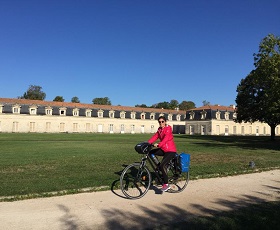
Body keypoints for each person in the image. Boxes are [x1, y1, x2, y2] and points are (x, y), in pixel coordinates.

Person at [148, 116, 177, 192]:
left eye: (162, 121)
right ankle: (159, 167)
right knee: (150, 153)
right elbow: (155, 136)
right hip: (163, 149)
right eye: (159, 122)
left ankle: (166, 184)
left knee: (163, 165)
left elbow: (166, 139)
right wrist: (148, 143)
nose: (161, 123)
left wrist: (159, 144)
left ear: (165, 121)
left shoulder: (168, 129)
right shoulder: (159, 129)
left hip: (170, 150)